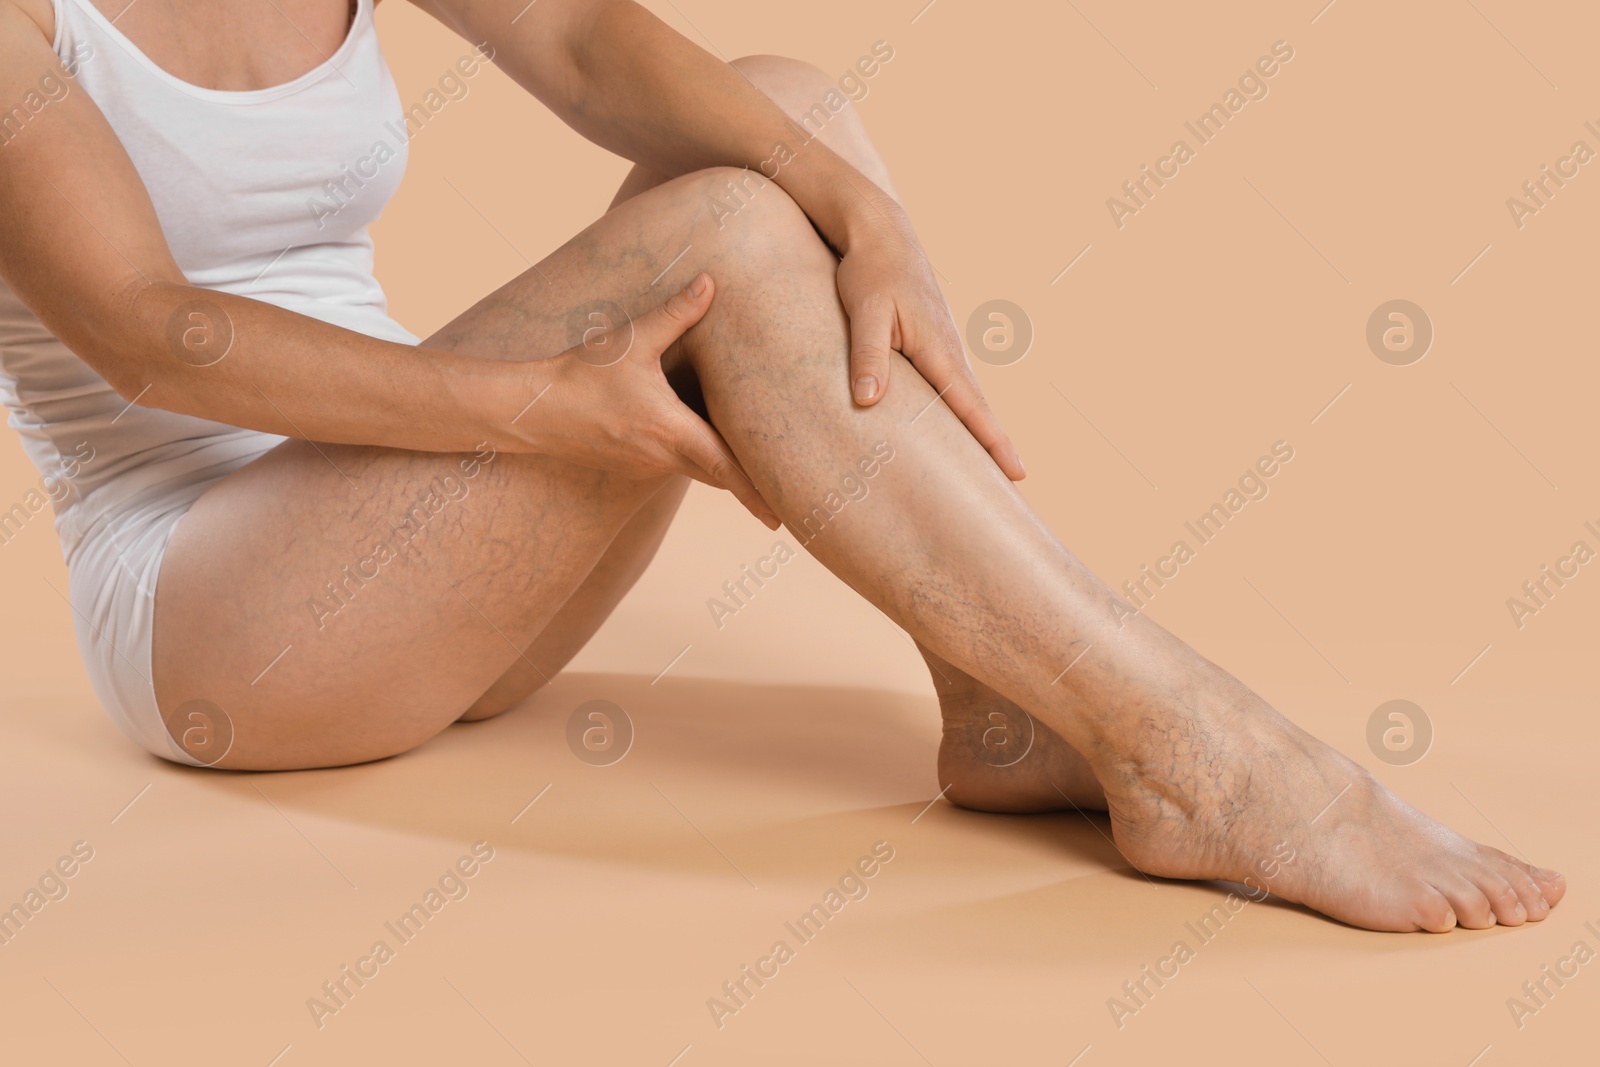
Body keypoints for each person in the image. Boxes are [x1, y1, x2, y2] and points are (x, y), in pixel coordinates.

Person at [0, 0, 1563, 933]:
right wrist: (541, 408)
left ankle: (1006, 698)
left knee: (781, 119)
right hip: (218, 609)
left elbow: (588, 35)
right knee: (733, 230)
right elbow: (150, 334)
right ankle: (1204, 762)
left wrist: (852, 196)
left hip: (425, 549)